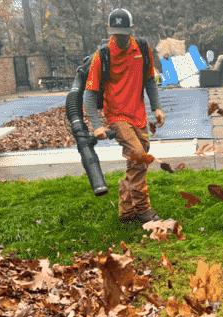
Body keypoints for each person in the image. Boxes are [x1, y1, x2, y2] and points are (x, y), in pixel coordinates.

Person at [83, 8, 166, 224]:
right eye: (116, 33)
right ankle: (143, 210)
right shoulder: (102, 56)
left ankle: (126, 210)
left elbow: (149, 79)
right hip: (117, 115)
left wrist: (156, 107)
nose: (120, 38)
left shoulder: (143, 48)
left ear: (132, 29)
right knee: (139, 155)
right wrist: (97, 125)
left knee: (138, 160)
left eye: (124, 33)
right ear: (109, 30)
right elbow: (90, 94)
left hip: (138, 114)